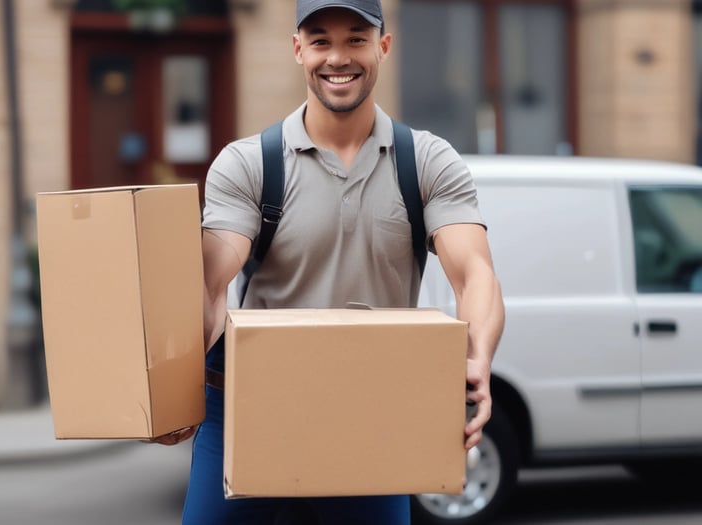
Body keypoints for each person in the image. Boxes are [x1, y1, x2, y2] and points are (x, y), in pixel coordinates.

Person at [157, 1, 505, 523]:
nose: (337, 57)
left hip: (371, 408)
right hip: (251, 406)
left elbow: (474, 273)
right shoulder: (248, 163)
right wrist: (173, 383)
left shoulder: (428, 161)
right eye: (320, 40)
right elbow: (212, 283)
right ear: (298, 50)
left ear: (383, 46)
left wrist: (476, 358)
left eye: (356, 39)